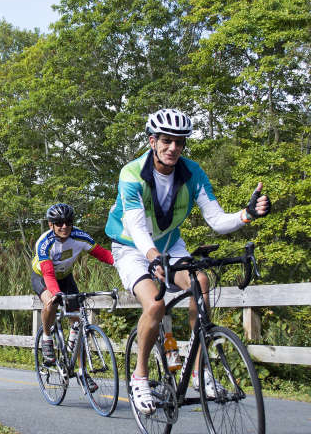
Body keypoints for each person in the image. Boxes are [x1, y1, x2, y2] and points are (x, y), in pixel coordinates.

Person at [105, 109, 271, 413]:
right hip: (131, 246)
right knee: (154, 305)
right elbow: (137, 227)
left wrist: (247, 215)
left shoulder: (193, 173)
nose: (173, 148)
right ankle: (140, 376)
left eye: (179, 143)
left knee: (202, 283)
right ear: (153, 141)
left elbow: (217, 220)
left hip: (169, 241)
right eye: (166, 141)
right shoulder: (131, 173)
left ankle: (199, 371)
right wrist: (154, 258)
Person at [32, 203, 115, 392]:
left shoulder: (79, 236)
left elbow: (103, 255)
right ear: (50, 224)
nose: (64, 226)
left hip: (65, 277)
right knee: (51, 302)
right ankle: (46, 338)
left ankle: (81, 371)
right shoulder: (45, 243)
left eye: (68, 222)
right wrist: (56, 293)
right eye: (59, 223)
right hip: (43, 277)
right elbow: (49, 275)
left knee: (79, 323)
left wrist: (126, 265)